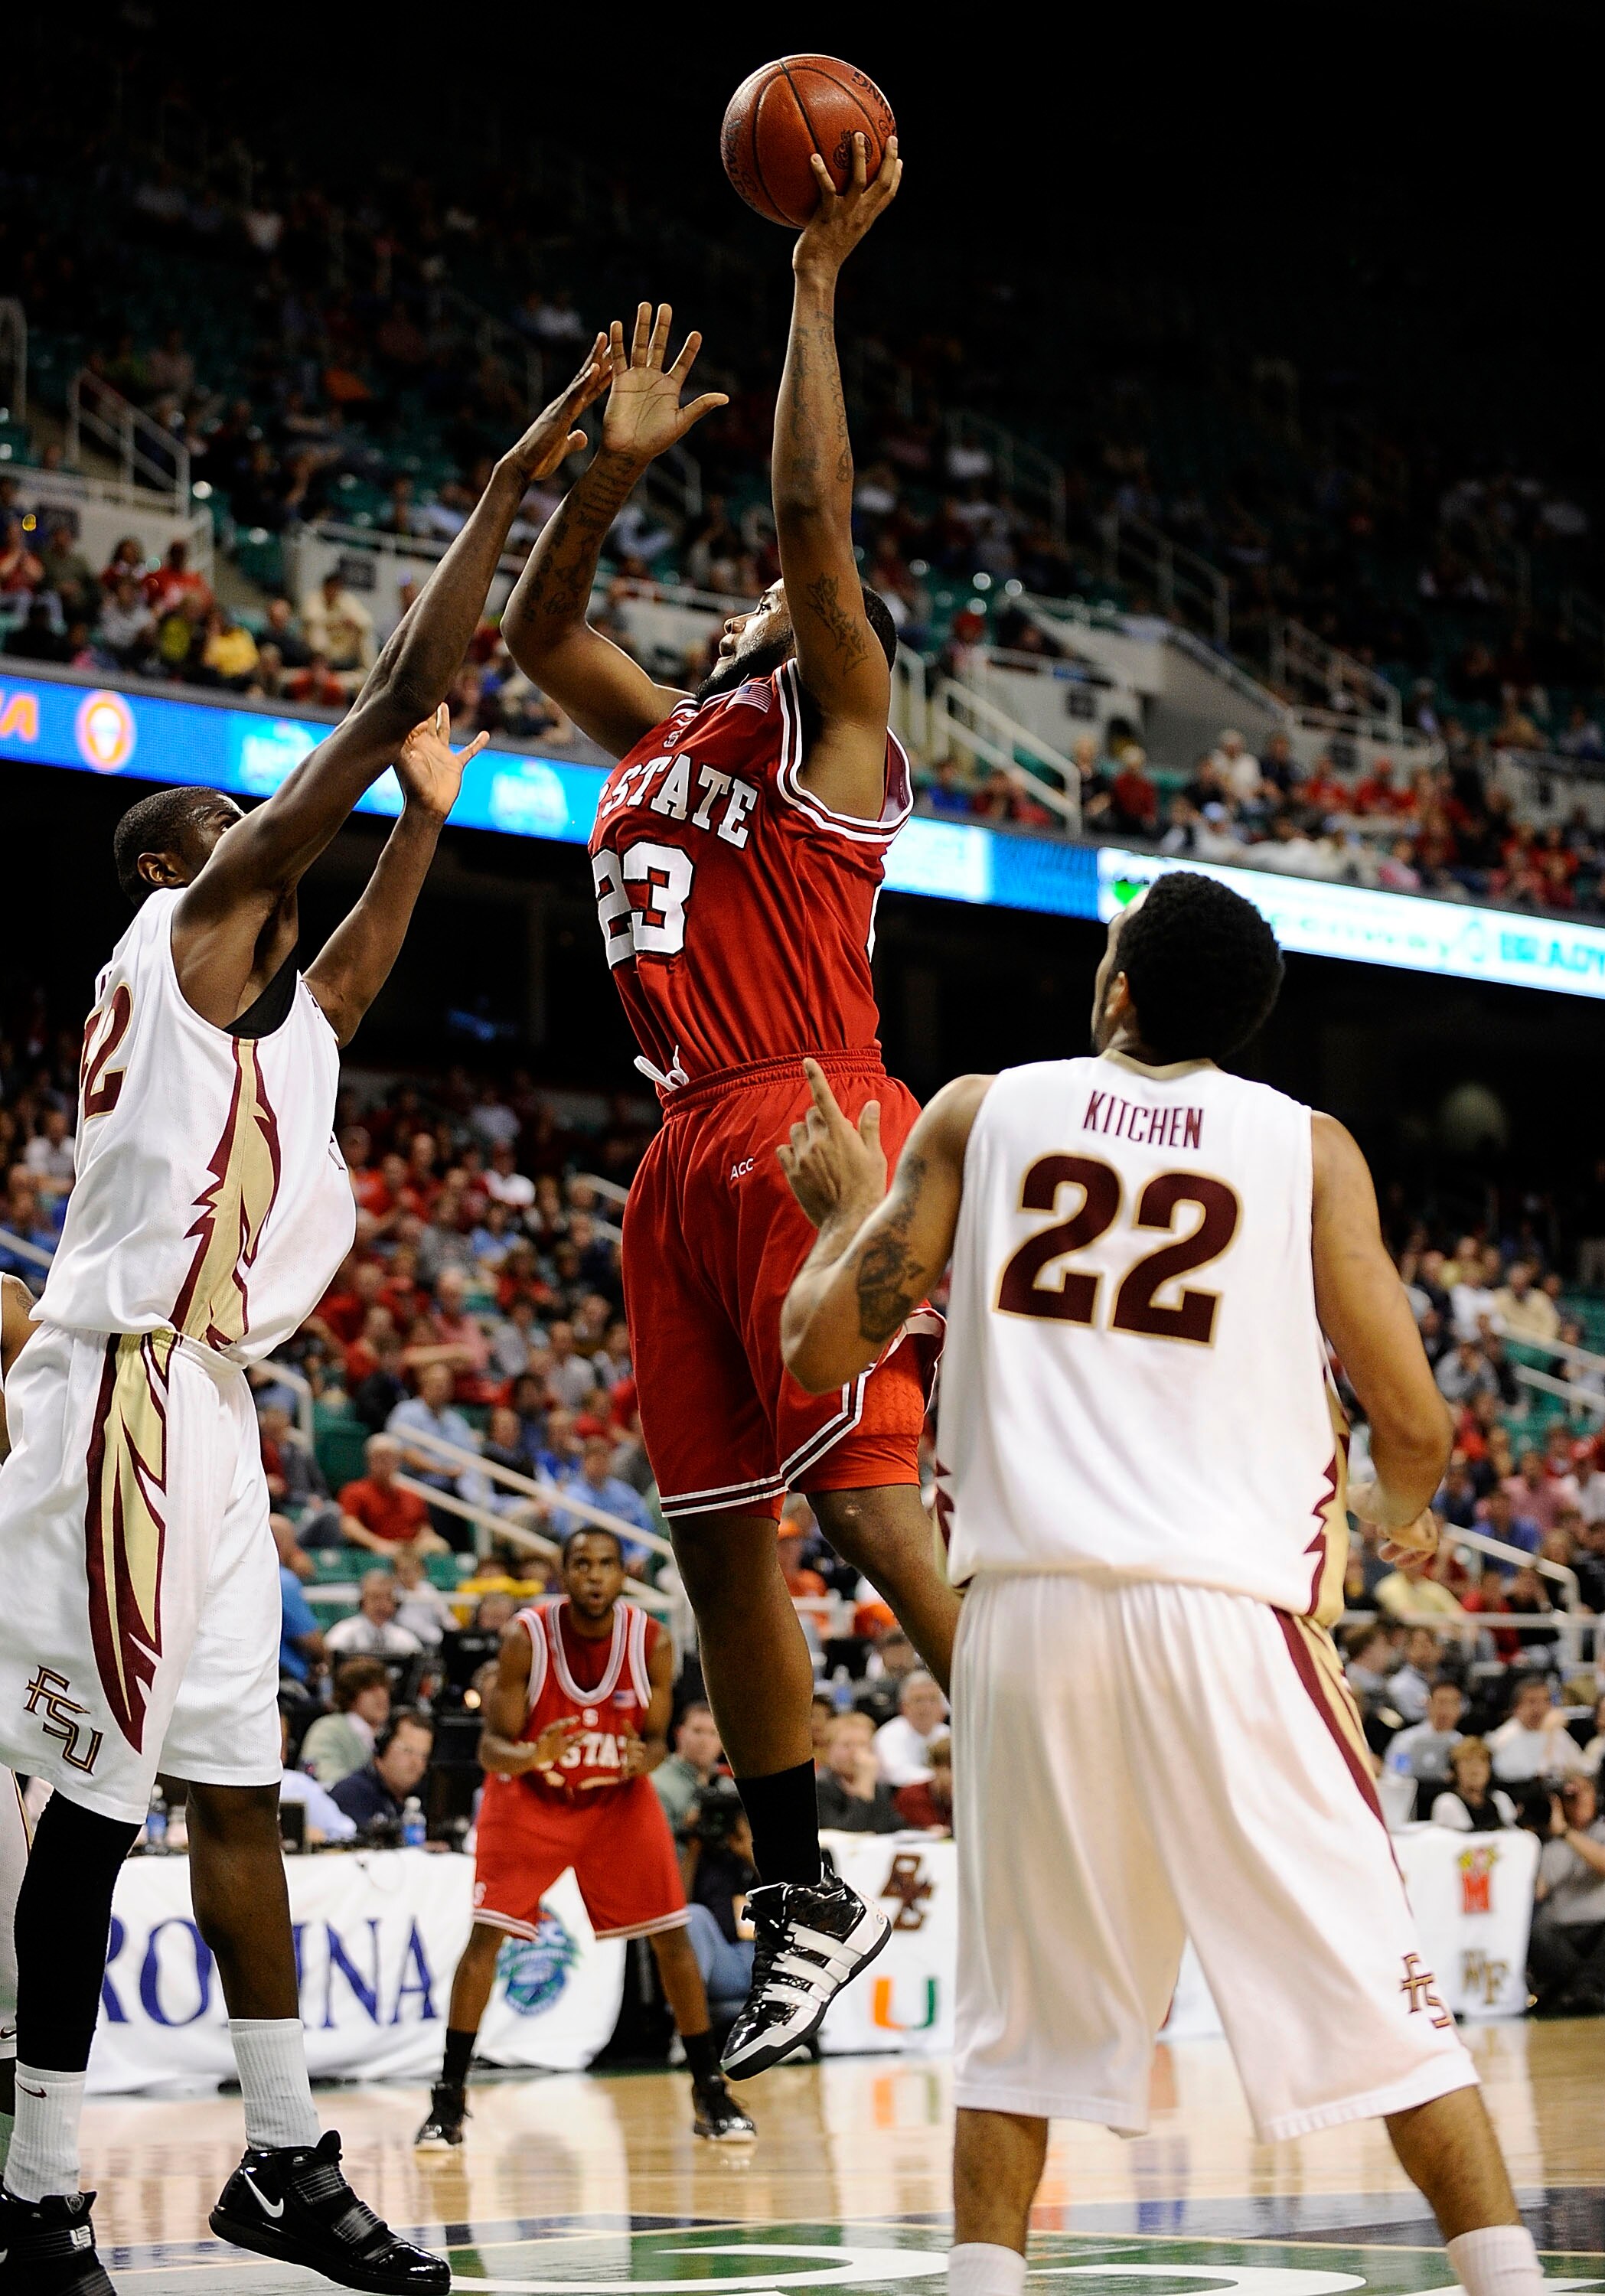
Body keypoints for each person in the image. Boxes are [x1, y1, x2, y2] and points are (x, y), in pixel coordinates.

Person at [0, 350, 615, 2293]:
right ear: (199, 879)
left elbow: (349, 969)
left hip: (212, 1421)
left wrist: (428, 817)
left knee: (235, 1794)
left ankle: (281, 2159)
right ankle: (30, 2188)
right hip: (114, 1398)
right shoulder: (174, 938)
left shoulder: (262, 1023)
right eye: (258, 863)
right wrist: (517, 462)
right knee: (94, 1817)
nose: (284, 896)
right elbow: (369, 713)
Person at [775, 868, 1545, 2296]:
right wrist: (1402, 1507)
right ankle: (1501, 2280)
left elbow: (820, 1354)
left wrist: (840, 1216)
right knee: (1383, 2003)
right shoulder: (1304, 1148)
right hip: (1220, 1615)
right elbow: (1417, 1423)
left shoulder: (976, 1112)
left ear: (1117, 988)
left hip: (1021, 1621)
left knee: (1018, 2024)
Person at [501, 139, 960, 2082]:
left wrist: (814, 290)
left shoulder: (831, 732)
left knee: (860, 1504)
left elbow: (806, 506)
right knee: (712, 1547)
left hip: (801, 1117)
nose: (763, 603)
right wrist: (601, 475)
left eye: (794, 599)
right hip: (678, 1141)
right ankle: (796, 1889)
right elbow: (534, 633)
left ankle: (1072, 1747)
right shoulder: (672, 737)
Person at [416, 1531, 755, 2151]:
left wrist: (642, 1761)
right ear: (563, 1573)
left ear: (621, 1575)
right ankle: (449, 2100)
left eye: (605, 1565)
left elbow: (655, 1742)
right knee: (486, 1937)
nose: (594, 1577)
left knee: (672, 1936)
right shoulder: (527, 1637)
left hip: (613, 1803)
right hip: (530, 1799)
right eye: (581, 1565)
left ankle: (710, 2090)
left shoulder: (650, 1640)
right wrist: (528, 1754)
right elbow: (489, 1749)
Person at [1528, 1774, 1605, 2014]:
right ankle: (1585, 1991)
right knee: (1530, 1928)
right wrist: (1528, 1836)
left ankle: (1573, 1992)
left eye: (1583, 1792)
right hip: (1561, 1935)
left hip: (1599, 1931)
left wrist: (1567, 1834)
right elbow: (1536, 1893)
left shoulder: (1601, 1830)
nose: (1577, 1800)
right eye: (1570, 1796)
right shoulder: (1549, 1842)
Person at [328, 1711, 434, 1832]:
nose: (416, 1763)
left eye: (423, 1756)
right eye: (408, 1751)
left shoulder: (424, 1798)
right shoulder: (351, 1793)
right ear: (383, 1746)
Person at [298, 1656, 393, 1788]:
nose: (381, 1696)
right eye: (370, 1689)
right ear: (350, 1695)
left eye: (384, 1688)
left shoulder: (391, 1734)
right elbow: (322, 1777)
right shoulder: (328, 1729)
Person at [1488, 1675, 1588, 1784]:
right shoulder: (1504, 1738)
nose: (1539, 1709)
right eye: (1532, 1701)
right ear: (1517, 1708)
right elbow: (1535, 1775)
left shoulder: (1557, 1732)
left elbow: (1581, 1768)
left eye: (1546, 1701)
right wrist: (1546, 1736)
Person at [815, 1711, 900, 1834]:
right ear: (828, 1749)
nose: (855, 1753)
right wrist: (864, 1787)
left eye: (862, 1745)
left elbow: (894, 1827)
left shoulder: (878, 1788)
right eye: (847, 1745)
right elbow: (845, 1833)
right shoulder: (819, 1787)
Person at [652, 1701, 724, 1841]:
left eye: (713, 1733)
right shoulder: (656, 1785)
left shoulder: (728, 1786)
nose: (705, 1741)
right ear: (679, 1734)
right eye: (697, 1731)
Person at [325, 1571, 426, 1662]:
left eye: (388, 1598)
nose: (382, 1604)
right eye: (375, 1597)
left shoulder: (405, 1638)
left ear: (396, 1604)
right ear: (362, 1601)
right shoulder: (344, 1632)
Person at [874, 1671, 949, 1786]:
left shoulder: (947, 1735)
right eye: (919, 1700)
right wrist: (941, 1779)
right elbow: (898, 1774)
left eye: (933, 1699)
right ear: (904, 1707)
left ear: (942, 1708)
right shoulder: (889, 1735)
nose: (926, 1707)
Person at [1430, 1738, 1519, 1832]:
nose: (1475, 1770)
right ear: (1455, 1771)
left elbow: (1513, 1835)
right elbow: (1464, 1840)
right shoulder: (1447, 1802)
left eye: (1481, 1763)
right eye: (1468, 1762)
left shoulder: (1500, 1799)